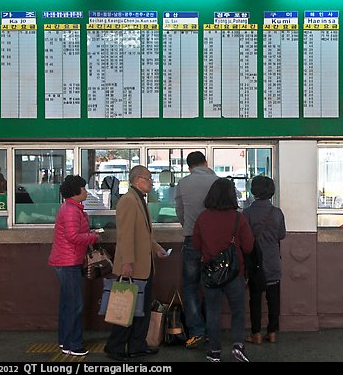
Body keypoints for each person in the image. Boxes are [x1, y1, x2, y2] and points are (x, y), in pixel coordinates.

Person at [104, 165, 170, 361]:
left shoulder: (140, 200)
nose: (151, 182)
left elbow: (144, 235)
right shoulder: (128, 201)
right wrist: (126, 262)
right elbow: (125, 236)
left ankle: (137, 345)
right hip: (132, 266)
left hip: (145, 266)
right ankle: (114, 347)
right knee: (126, 309)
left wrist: (157, 248)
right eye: (148, 179)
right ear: (137, 179)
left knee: (141, 309)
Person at [192, 178, 254, 362]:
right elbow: (249, 246)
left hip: (210, 272)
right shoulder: (238, 217)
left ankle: (214, 351)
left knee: (212, 311)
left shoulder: (203, 217)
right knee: (238, 310)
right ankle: (237, 345)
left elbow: (195, 244)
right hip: (235, 273)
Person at [48, 175, 100, 356]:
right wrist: (93, 237)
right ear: (76, 191)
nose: (86, 191)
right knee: (74, 305)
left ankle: (65, 341)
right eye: (84, 188)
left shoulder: (72, 208)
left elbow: (74, 233)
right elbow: (73, 237)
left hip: (66, 260)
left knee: (67, 304)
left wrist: (89, 233)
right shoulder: (71, 210)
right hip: (68, 261)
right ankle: (73, 344)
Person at [175, 151, 218, 349]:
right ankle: (211, 331)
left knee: (190, 287)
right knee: (212, 287)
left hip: (192, 240)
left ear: (189, 166)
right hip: (215, 243)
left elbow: (180, 212)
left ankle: (196, 331)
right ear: (206, 162)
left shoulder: (183, 183)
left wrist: (189, 228)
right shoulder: (218, 181)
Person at [242, 176, 286, 344]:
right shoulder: (277, 212)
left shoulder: (246, 213)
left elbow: (244, 239)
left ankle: (256, 334)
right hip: (273, 260)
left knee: (255, 299)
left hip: (255, 263)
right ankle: (272, 332)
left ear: (254, 191)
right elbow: (281, 235)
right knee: (273, 298)